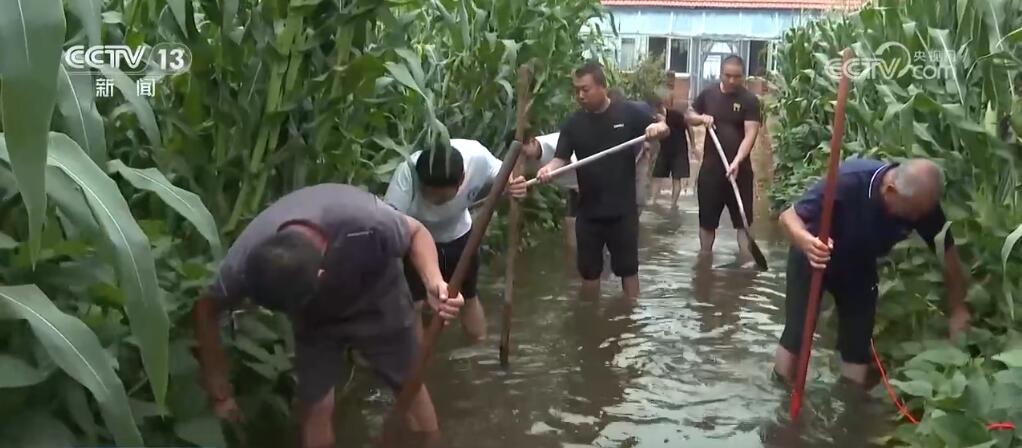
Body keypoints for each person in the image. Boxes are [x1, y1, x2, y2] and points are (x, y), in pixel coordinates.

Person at [192, 183, 466, 448]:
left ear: (322, 276)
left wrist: (434, 282)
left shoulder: (366, 220)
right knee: (315, 407)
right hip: (316, 323)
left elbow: (416, 232)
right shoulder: (246, 261)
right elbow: (206, 307)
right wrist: (220, 392)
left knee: (410, 390)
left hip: (379, 299)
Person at [772, 159, 971, 386]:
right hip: (814, 256)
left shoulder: (921, 204)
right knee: (797, 333)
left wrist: (958, 308)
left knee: (858, 344)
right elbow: (788, 217)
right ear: (890, 191)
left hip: (859, 264)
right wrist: (807, 242)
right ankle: (781, 393)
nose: (917, 219)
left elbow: (948, 256)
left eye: (921, 213)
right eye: (912, 213)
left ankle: (850, 406)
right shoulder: (848, 182)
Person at [537, 61, 670, 300]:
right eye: (576, 90)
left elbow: (662, 127)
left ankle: (629, 321)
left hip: (622, 212)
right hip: (588, 213)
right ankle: (590, 323)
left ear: (602, 87)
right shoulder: (573, 124)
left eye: (585, 89)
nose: (580, 95)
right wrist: (548, 169)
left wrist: (658, 128)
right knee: (589, 275)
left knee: (628, 271)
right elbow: (560, 159)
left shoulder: (628, 113)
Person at [384, 139, 529, 343]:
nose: (435, 203)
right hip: (414, 245)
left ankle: (477, 351)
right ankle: (418, 364)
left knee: (467, 298)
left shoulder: (477, 157)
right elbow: (388, 224)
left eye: (441, 199)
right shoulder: (407, 173)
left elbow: (503, 173)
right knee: (413, 305)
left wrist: (513, 184)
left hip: (458, 237)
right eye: (430, 196)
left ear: (461, 181)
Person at [686, 55, 762, 261]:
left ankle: (746, 263)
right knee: (707, 222)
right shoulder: (708, 95)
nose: (731, 81)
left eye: (737, 77)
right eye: (727, 75)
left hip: (740, 171)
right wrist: (701, 118)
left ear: (743, 76)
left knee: (743, 223)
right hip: (711, 171)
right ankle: (704, 261)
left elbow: (750, 135)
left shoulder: (750, 101)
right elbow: (689, 115)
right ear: (720, 73)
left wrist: (737, 160)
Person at [648, 92, 692, 207]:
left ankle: (673, 204)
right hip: (665, 150)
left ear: (661, 108)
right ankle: (653, 200)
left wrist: (694, 145)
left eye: (657, 112)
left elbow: (689, 127)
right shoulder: (654, 119)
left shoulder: (676, 115)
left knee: (676, 178)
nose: (656, 115)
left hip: (679, 150)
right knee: (657, 175)